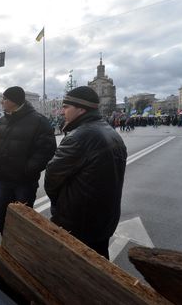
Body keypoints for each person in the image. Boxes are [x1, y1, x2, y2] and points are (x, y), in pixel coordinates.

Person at [45, 86, 127, 259]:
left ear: (81, 109)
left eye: (66, 107)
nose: (62, 111)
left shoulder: (79, 136)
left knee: (76, 269)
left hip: (79, 221)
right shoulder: (110, 131)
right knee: (99, 266)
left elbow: (52, 177)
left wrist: (59, 206)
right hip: (104, 217)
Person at [0, 86, 56, 234]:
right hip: (3, 180)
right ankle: (6, 246)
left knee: (23, 221)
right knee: (1, 216)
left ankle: (20, 252)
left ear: (14, 101)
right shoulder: (1, 121)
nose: (2, 102)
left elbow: (46, 151)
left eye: (5, 99)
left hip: (24, 182)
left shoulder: (38, 121)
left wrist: (26, 169)